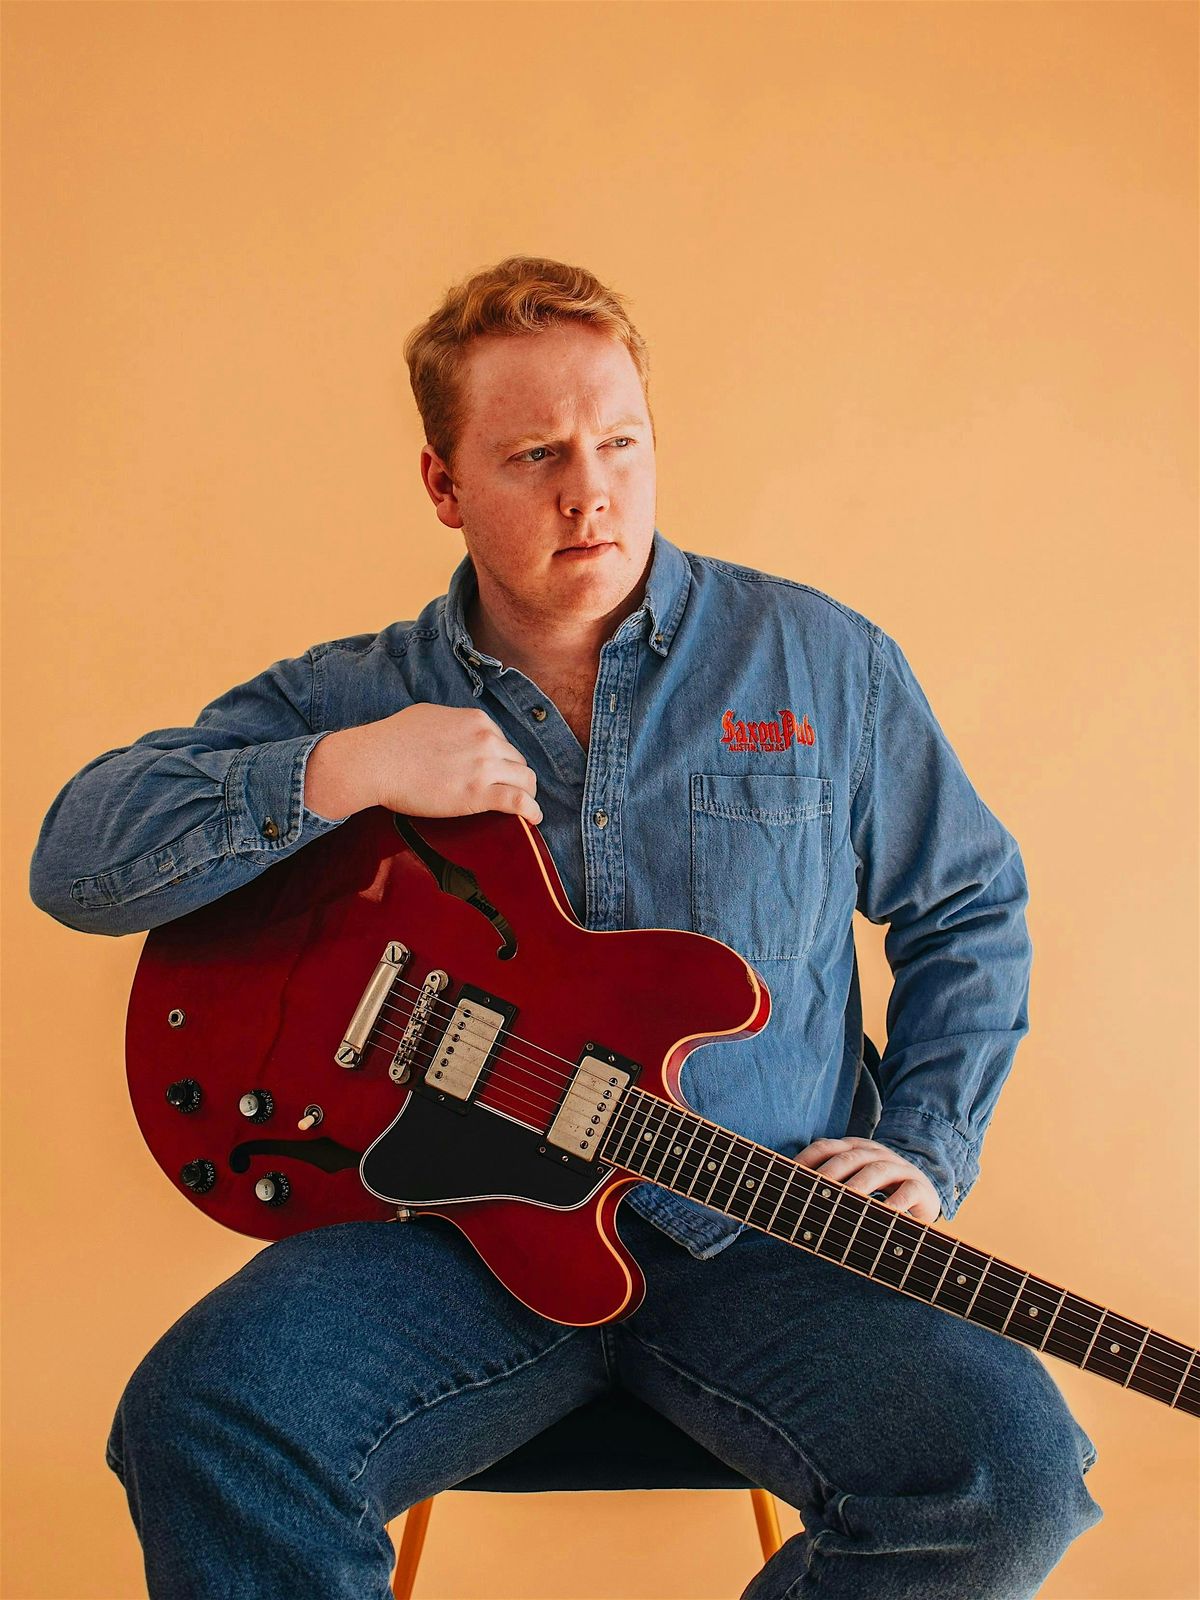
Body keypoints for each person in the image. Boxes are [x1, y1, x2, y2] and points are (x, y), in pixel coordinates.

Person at [29, 255, 1101, 1599]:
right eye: (535, 453)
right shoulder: (360, 694)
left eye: (620, 443)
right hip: (449, 1251)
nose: (589, 491)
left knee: (1013, 1475)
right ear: (444, 485)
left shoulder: (822, 664)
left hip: (758, 1238)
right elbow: (77, 859)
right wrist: (342, 769)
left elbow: (969, 907)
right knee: (203, 1419)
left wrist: (925, 1147)